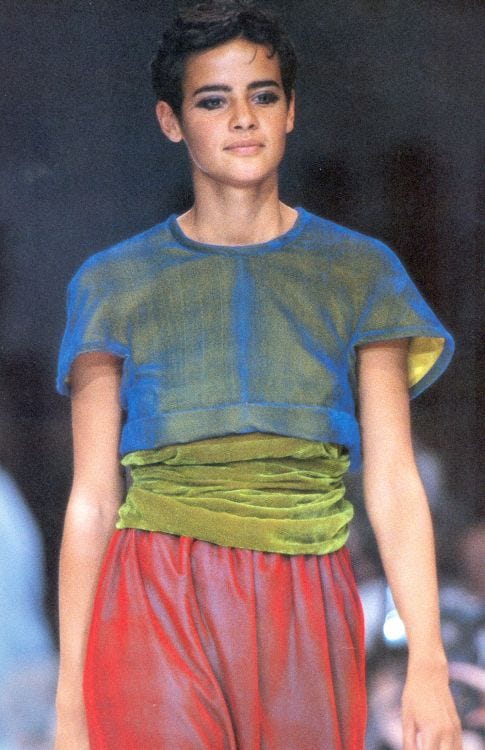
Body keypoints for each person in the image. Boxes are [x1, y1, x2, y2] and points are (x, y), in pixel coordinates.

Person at [54, 2, 462, 748]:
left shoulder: (360, 272)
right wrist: (69, 704)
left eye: (262, 95)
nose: (242, 118)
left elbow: (393, 480)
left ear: (290, 110)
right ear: (171, 121)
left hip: (309, 590)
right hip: (156, 591)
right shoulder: (113, 283)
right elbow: (92, 498)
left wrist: (427, 663)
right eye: (213, 100)